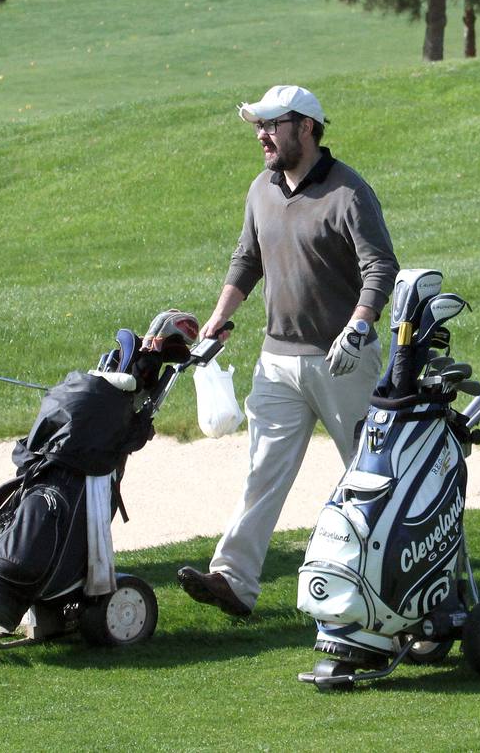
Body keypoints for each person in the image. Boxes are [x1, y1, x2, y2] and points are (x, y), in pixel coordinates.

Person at [175, 85, 398, 617]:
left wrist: (360, 326)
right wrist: (218, 319)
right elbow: (246, 259)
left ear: (306, 127)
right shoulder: (262, 189)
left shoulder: (348, 192)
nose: (262, 135)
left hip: (342, 360)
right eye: (260, 125)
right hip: (277, 360)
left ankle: (400, 578)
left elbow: (380, 266)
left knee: (370, 475)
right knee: (262, 473)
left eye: (272, 125)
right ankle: (234, 580)